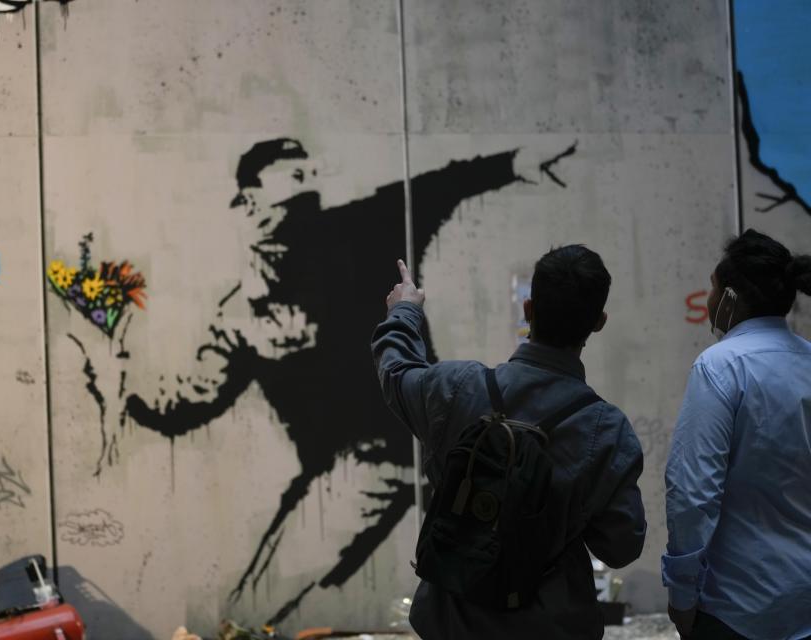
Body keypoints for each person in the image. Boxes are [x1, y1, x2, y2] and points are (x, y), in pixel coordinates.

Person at [124, 137, 579, 622]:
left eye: (307, 187)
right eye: (290, 184)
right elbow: (197, 400)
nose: (305, 194)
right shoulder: (241, 310)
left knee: (252, 607)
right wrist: (131, 397)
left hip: (389, 454)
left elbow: (435, 188)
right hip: (389, 458)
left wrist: (509, 163)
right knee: (253, 608)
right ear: (247, 201)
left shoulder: (352, 229)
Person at [372, 248, 646, 639]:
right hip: (550, 626)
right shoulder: (607, 430)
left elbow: (396, 373)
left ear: (529, 309)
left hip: (452, 621)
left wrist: (405, 311)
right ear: (599, 322)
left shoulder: (456, 387)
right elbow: (621, 547)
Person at [663, 229, 811, 640]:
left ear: (728, 297)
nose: (708, 300)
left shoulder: (720, 366)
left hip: (738, 609)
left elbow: (692, 495)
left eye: (711, 288)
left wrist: (681, 594)